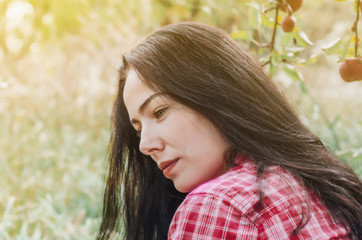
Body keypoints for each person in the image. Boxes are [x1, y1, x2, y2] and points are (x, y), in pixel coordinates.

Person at [97, 22, 362, 240]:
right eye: (138, 128)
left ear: (215, 94)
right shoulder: (316, 186)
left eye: (159, 112)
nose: (145, 145)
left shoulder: (216, 207)